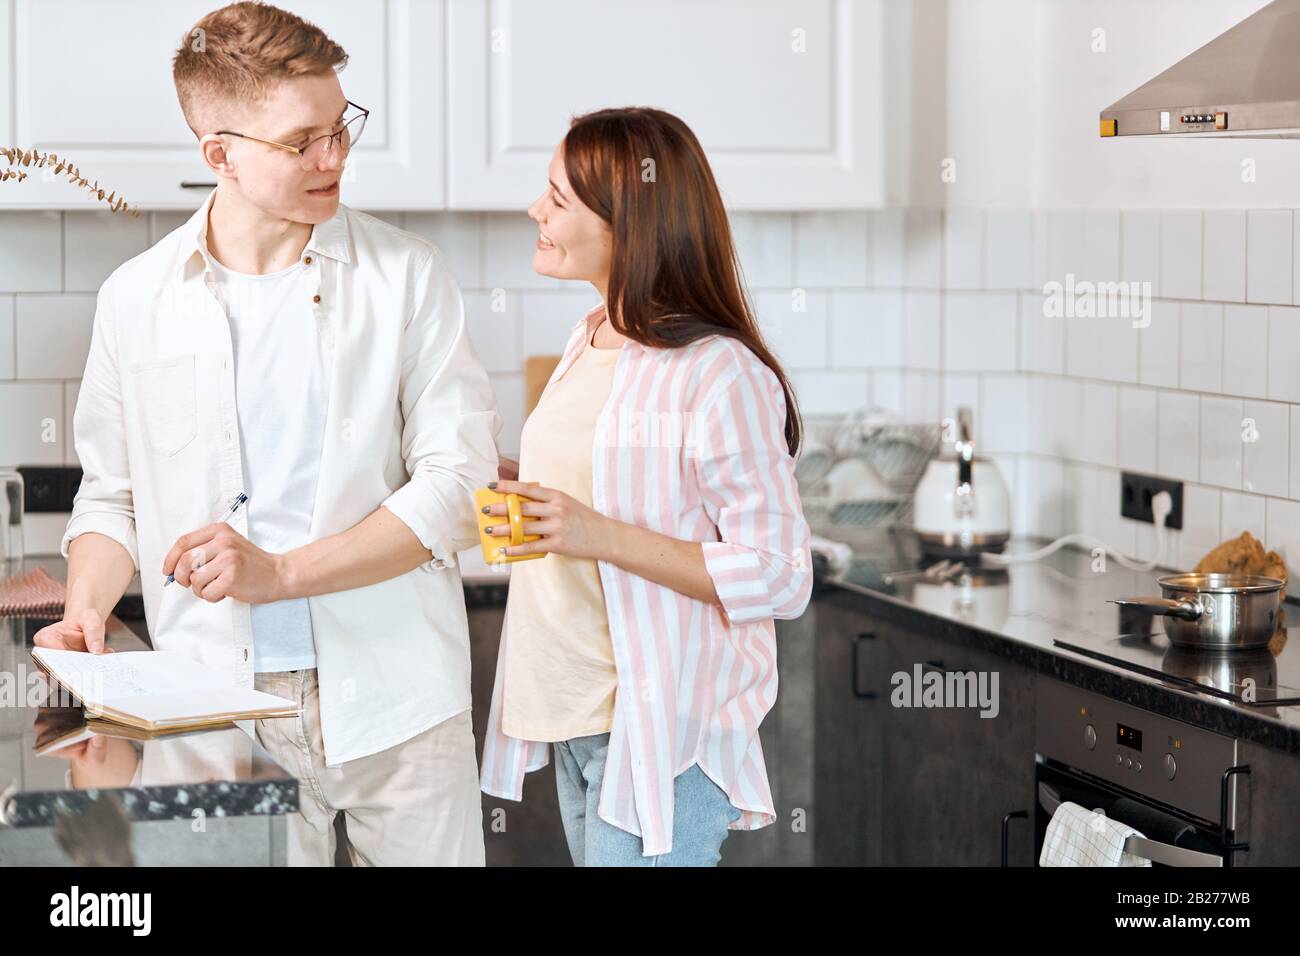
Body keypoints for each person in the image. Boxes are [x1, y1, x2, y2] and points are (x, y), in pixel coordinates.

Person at [34, 1, 499, 866]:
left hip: (401, 707)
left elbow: (458, 489)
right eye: (301, 142)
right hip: (212, 711)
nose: (335, 158)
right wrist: (86, 611)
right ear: (220, 154)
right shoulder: (136, 300)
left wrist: (279, 573)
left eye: (341, 127)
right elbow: (111, 497)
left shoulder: (406, 278)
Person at [479, 107, 812, 866]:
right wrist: (492, 477)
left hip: (661, 732)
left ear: (628, 222)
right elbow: (592, 484)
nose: (536, 210)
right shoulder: (591, 335)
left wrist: (593, 532)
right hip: (572, 715)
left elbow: (782, 574)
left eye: (558, 199)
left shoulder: (718, 373)